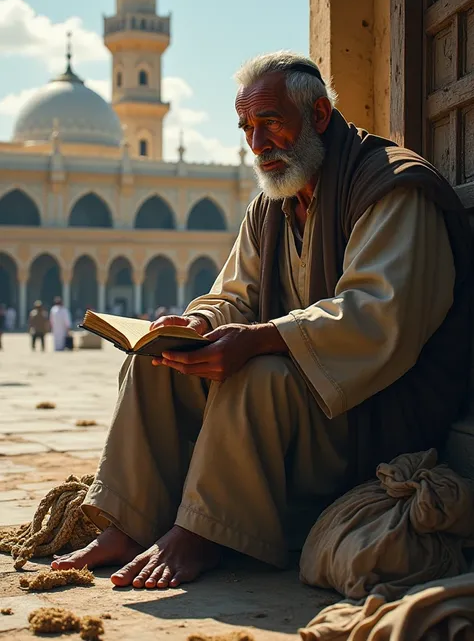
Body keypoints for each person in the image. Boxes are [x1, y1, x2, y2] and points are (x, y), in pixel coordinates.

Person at [51, 52, 472, 591]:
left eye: (270, 122)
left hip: (378, 418)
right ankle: (129, 522)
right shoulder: (273, 203)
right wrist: (196, 325)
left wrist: (260, 339)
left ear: (319, 115)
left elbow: (377, 316)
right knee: (156, 363)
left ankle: (204, 533)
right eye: (247, 127)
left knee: (258, 377)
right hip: (315, 414)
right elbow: (234, 296)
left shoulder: (391, 188)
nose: (256, 144)